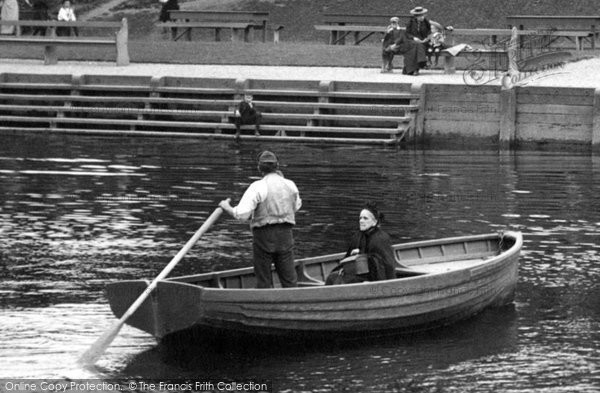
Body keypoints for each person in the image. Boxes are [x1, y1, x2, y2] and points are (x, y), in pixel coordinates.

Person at [219, 151, 302, 289]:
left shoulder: (258, 186)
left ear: (259, 168)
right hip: (285, 235)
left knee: (264, 279)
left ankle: (265, 302)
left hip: (264, 235)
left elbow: (242, 214)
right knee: (289, 279)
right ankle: (293, 303)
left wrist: (226, 207)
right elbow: (296, 206)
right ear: (278, 166)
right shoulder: (290, 185)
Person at [326, 202, 399, 285]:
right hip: (359, 273)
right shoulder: (357, 236)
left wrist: (361, 254)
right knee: (332, 277)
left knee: (344, 281)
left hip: (374, 278)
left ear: (374, 222)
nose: (361, 221)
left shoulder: (380, 238)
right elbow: (347, 259)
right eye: (360, 218)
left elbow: (385, 265)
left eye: (365, 218)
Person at [403, 6, 431, 74]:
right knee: (415, 46)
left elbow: (430, 31)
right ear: (415, 16)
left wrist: (426, 38)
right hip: (412, 40)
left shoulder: (426, 22)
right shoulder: (411, 22)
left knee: (418, 46)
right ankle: (421, 63)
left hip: (423, 41)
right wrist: (414, 38)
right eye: (419, 16)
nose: (421, 17)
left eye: (422, 15)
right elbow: (407, 33)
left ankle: (412, 70)